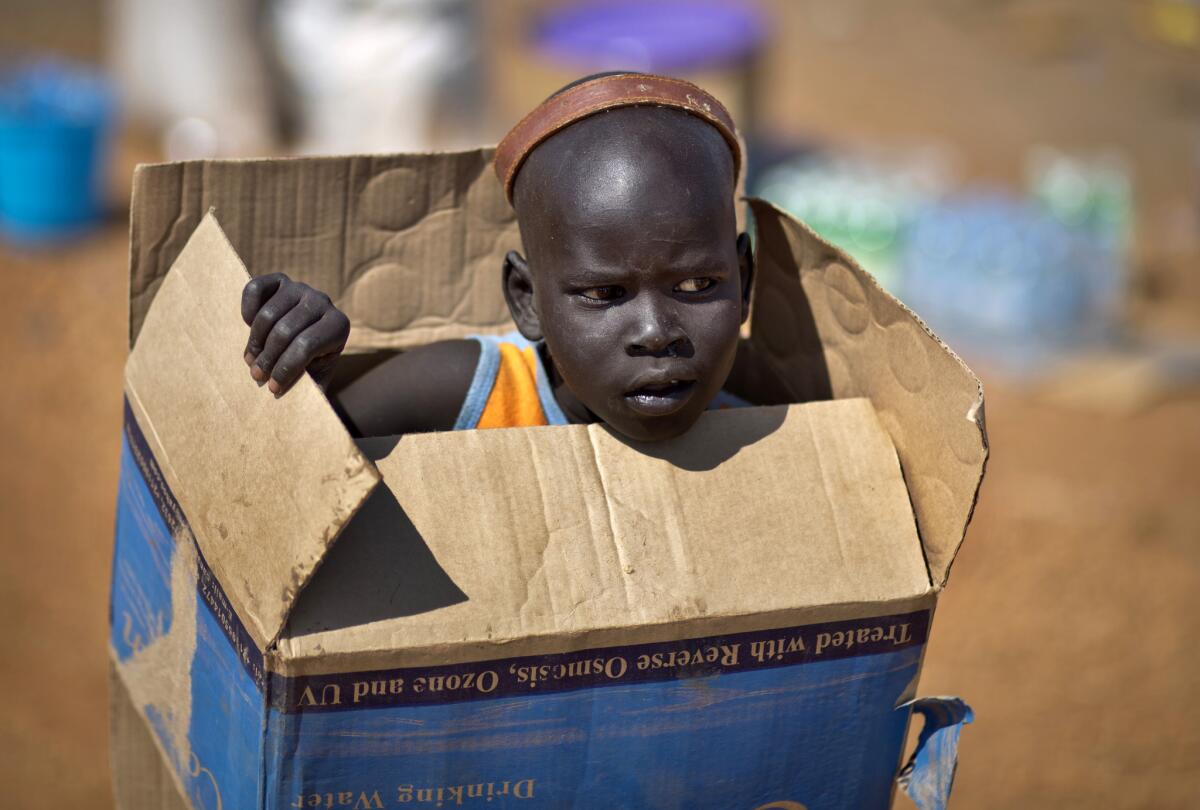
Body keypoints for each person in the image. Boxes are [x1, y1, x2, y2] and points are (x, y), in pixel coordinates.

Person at [239, 72, 753, 442]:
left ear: (744, 280)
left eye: (695, 286)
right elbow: (289, 466)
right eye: (603, 293)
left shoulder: (756, 430)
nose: (655, 332)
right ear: (526, 300)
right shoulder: (469, 394)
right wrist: (306, 379)